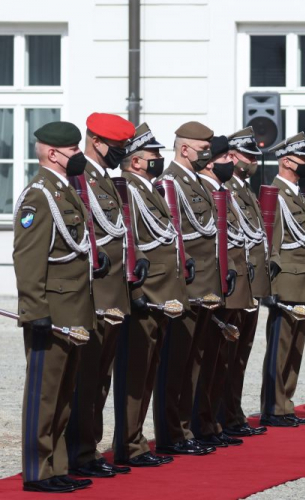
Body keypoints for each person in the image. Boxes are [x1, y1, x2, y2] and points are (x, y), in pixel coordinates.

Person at [14, 121, 109, 493]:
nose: (78, 156)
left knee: (65, 392)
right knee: (45, 392)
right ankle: (38, 471)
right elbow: (28, 257)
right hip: (52, 310)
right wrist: (34, 309)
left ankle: (57, 465)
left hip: (74, 306)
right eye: (72, 151)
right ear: (52, 154)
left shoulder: (66, 190)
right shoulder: (40, 194)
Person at [66, 113, 144, 479]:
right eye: (117, 147)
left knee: (100, 377)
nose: (122, 154)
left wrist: (137, 259)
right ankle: (79, 451)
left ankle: (90, 448)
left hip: (115, 291)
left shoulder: (107, 180)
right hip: (96, 293)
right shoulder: (80, 179)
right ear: (97, 142)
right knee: (87, 377)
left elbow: (121, 229)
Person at [153, 121, 235, 456]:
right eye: (202, 150)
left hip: (205, 285)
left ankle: (186, 429)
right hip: (186, 286)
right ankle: (172, 433)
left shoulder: (196, 183)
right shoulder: (169, 183)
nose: (208, 156)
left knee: (195, 362)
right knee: (176, 364)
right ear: (184, 149)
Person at [112, 123, 188, 467]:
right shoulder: (129, 191)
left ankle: (136, 440)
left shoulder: (150, 190)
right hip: (147, 292)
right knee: (134, 373)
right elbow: (131, 242)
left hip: (162, 292)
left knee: (147, 371)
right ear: (136, 162)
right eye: (153, 154)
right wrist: (135, 289)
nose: (160, 158)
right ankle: (129, 444)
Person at [260, 132, 305, 428]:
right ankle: (273, 408)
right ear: (286, 161)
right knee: (280, 347)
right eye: (303, 158)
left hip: (304, 279)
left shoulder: (298, 193)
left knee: (296, 348)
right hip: (285, 281)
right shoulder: (274, 194)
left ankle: (286, 403)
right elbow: (270, 245)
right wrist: (269, 289)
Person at [190, 136, 245, 448]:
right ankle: (199, 424)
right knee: (203, 359)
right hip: (208, 284)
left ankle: (212, 422)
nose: (232, 163)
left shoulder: (225, 191)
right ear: (210, 161)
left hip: (228, 282)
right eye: (226, 158)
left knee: (219, 360)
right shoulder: (203, 191)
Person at [220, 126, 270, 437]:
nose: (252, 161)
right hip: (236, 280)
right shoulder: (228, 189)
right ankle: (222, 417)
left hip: (250, 281)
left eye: (254, 156)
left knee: (240, 356)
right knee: (226, 356)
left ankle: (233, 415)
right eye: (246, 155)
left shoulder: (244, 189)